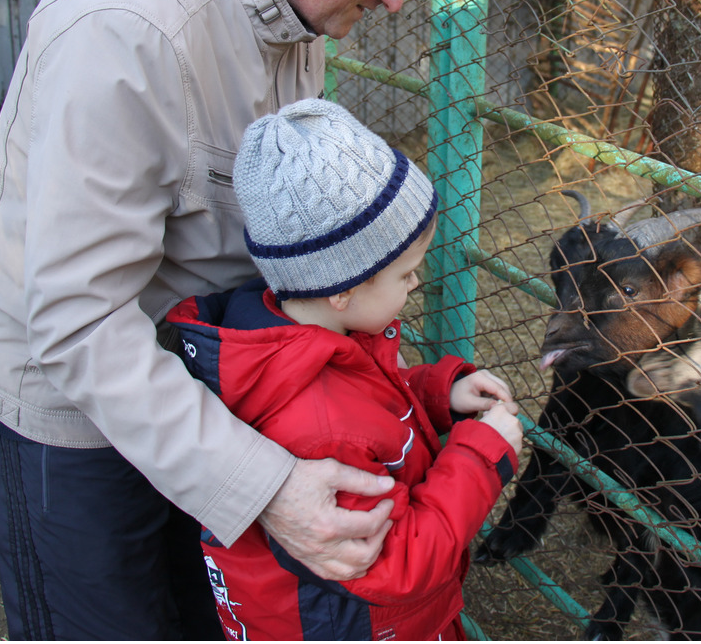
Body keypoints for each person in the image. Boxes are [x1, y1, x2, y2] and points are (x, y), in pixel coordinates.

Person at [0, 0, 470, 639]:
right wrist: (262, 484)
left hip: (196, 377)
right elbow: (77, 317)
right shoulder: (129, 30)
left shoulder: (296, 2)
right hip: (74, 399)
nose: (397, 1)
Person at [166, 99, 523, 640]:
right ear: (343, 288)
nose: (415, 286)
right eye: (405, 275)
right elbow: (392, 564)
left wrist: (434, 394)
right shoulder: (318, 428)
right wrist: (479, 454)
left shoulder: (303, 339)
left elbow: (371, 401)